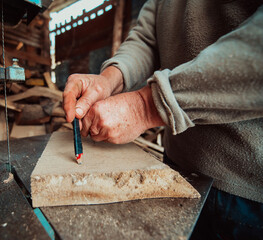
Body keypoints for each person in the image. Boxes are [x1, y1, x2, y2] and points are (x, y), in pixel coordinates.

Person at [63, 0, 263, 239]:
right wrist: (109, 78)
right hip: (174, 166)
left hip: (243, 195)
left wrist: (145, 107)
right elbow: (147, 38)